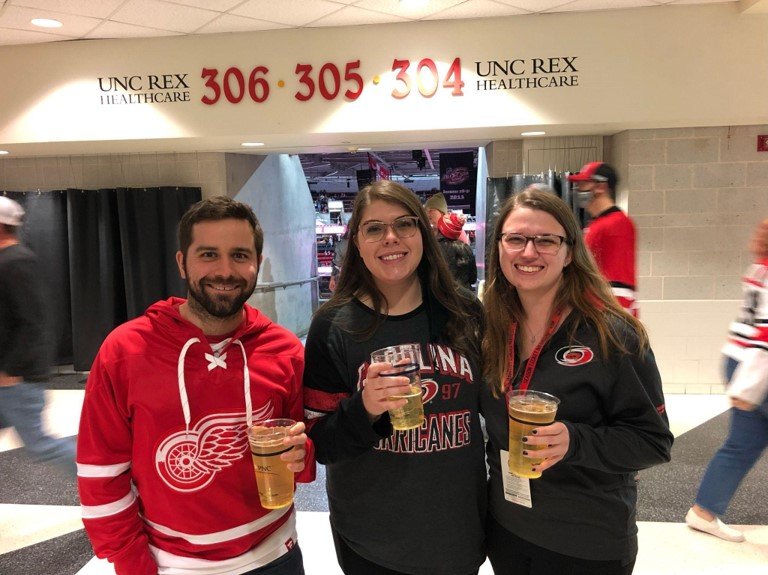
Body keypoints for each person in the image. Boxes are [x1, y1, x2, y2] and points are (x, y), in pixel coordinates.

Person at [77, 197, 314, 575]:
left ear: (257, 263)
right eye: (208, 254)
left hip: (276, 555)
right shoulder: (124, 351)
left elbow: (301, 456)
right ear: (182, 263)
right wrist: (131, 564)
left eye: (239, 255)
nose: (225, 270)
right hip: (171, 564)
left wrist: (301, 455)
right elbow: (100, 475)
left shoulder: (284, 350)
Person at [480, 186, 672, 575]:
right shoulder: (490, 330)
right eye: (515, 239)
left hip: (586, 541)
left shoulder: (612, 334)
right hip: (508, 530)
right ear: (498, 249)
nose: (529, 252)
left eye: (546, 241)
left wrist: (575, 440)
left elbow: (653, 441)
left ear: (570, 252)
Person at [303, 180, 487, 575]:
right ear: (357, 243)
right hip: (373, 539)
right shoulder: (333, 325)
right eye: (374, 228)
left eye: (404, 224)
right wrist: (364, 409)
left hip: (457, 531)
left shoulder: (466, 313)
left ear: (423, 232)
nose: (391, 238)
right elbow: (320, 443)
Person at [685, 217, 768, 543]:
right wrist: (749, 386)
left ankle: (704, 512)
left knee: (743, 444)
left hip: (740, 358)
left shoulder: (760, 266)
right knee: (741, 444)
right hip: (757, 365)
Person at [0, 196, 76, 476]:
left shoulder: (16, 261)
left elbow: (34, 323)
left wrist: (13, 369)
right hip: (9, 377)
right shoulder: (8, 260)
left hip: (15, 380)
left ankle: (105, 481)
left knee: (41, 445)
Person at [568, 162, 638, 317]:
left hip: (608, 311)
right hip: (596, 307)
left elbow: (618, 278)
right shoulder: (598, 224)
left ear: (601, 186)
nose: (578, 189)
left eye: (584, 183)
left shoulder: (617, 223)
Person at [436, 212, 477, 291]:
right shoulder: (466, 248)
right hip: (465, 299)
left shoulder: (432, 249)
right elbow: (473, 279)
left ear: (439, 229)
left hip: (439, 299)